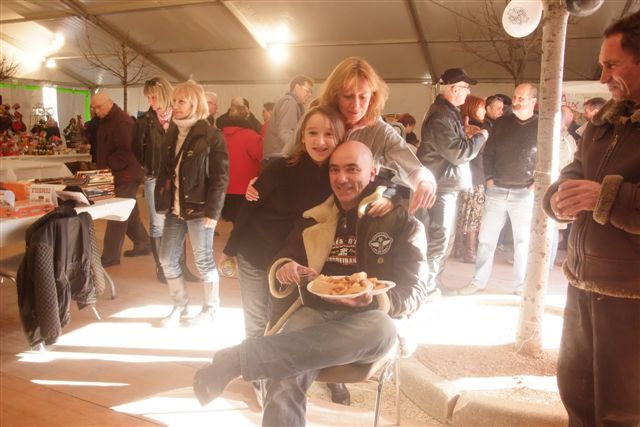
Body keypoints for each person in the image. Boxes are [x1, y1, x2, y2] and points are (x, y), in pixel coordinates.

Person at [193, 140, 428, 426]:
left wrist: (375, 299)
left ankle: (238, 360)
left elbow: (416, 290)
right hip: (316, 312)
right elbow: (286, 256)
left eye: (352, 169)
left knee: (383, 329)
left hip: (368, 320)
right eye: (335, 170)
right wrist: (286, 268)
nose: (342, 178)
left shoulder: (400, 222)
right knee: (285, 371)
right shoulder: (313, 219)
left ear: (372, 173)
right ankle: (248, 361)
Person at [220, 106, 390, 406]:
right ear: (302, 137)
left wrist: (390, 196)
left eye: (329, 134)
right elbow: (249, 207)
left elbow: (376, 181)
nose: (320, 141)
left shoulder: (338, 172)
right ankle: (259, 380)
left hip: (299, 259)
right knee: (258, 322)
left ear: (340, 137)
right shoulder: (280, 167)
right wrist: (230, 249)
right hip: (257, 253)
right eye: (312, 133)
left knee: (295, 323)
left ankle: (332, 378)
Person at [543, 12, 640, 426]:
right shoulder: (601, 124)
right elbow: (574, 171)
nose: (602, 78)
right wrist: (557, 199)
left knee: (623, 411)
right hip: (582, 286)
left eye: (612, 65)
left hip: (631, 299)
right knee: (577, 396)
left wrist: (608, 198)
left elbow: (600, 191)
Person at [316, 57, 437, 216]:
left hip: (354, 216)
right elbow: (291, 157)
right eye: (348, 96)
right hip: (312, 208)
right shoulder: (318, 119)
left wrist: (425, 183)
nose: (356, 105)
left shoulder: (380, 131)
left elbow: (412, 167)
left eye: (363, 97)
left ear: (372, 97)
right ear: (335, 95)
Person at [154, 80, 229, 327]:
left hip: (200, 209)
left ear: (195, 104)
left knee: (204, 261)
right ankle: (180, 305)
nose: (175, 106)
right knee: (166, 259)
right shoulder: (172, 132)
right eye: (174, 101)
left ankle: (211, 309)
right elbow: (165, 171)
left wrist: (213, 211)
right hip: (175, 209)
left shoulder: (211, 135)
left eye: (181, 101)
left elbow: (220, 177)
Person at [458, 83, 538, 296]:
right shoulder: (502, 123)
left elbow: (547, 157)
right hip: (497, 190)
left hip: (524, 192)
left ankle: (520, 286)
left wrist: (536, 183)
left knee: (522, 242)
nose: (516, 101)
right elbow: (489, 152)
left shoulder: (541, 126)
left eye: (522, 98)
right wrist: (489, 179)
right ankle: (478, 282)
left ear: (533, 101)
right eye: (515, 96)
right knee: (486, 240)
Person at [416, 68, 488, 295]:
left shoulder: (447, 112)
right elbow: (458, 153)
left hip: (442, 185)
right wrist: (481, 137)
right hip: (440, 187)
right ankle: (427, 288)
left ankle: (433, 283)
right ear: (454, 89)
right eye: (466, 88)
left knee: (443, 239)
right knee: (438, 239)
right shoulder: (441, 116)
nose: (469, 93)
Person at [133, 76, 199, 284]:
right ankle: (162, 268)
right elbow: (137, 149)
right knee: (157, 224)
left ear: (163, 95)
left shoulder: (180, 117)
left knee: (179, 221)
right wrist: (149, 167)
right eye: (148, 98)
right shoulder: (145, 121)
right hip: (155, 178)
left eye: (153, 97)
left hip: (178, 177)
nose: (150, 102)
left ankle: (181, 266)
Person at [91, 91, 150, 267]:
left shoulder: (122, 122)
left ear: (110, 103)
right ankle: (143, 242)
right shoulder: (106, 120)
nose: (96, 111)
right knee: (128, 211)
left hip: (126, 174)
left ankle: (110, 256)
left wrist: (108, 165)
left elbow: (127, 152)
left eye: (99, 107)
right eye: (94, 108)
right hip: (117, 173)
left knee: (117, 213)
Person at [453, 95, 488, 264]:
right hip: (476, 176)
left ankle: (458, 248)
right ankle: (470, 251)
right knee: (473, 215)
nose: (484, 111)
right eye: (481, 107)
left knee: (461, 213)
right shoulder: (477, 130)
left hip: (460, 177)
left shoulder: (458, 126)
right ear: (473, 108)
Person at [221, 103, 262, 223]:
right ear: (246, 116)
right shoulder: (250, 135)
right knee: (244, 222)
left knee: (232, 219)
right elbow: (260, 155)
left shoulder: (220, 135)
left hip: (224, 186)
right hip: (245, 188)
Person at [262, 75, 313, 167]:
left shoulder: (293, 103)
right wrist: (301, 150)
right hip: (279, 157)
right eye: (307, 90)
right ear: (297, 87)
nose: (309, 95)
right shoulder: (290, 102)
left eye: (311, 92)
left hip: (277, 156)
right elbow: (285, 132)